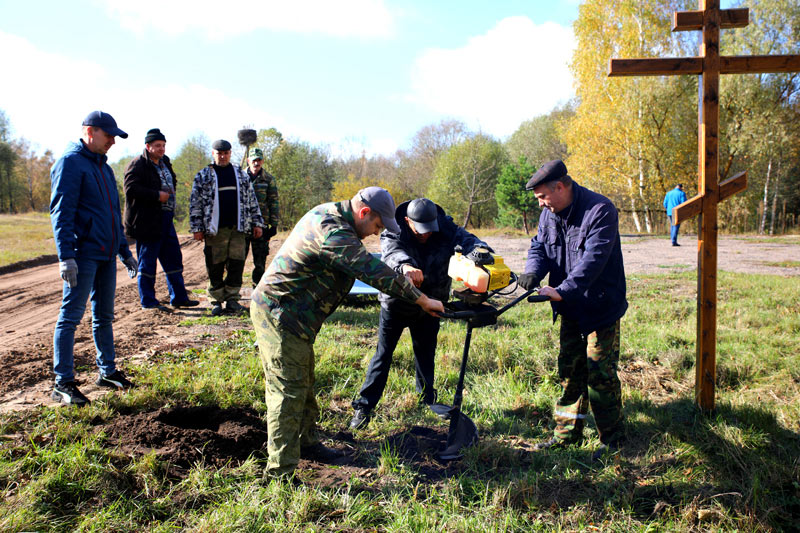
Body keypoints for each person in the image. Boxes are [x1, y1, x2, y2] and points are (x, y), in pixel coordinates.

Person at [250, 187, 445, 477]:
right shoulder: (332, 230)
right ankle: (281, 472)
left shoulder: (334, 217)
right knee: (287, 392)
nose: (375, 234)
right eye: (377, 226)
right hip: (280, 314)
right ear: (364, 213)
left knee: (303, 380)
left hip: (296, 317)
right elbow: (370, 269)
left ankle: (308, 443)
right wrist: (421, 299)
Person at [517, 160, 627, 461]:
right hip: (569, 308)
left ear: (561, 187)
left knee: (600, 373)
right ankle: (567, 435)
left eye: (543, 197)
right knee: (570, 373)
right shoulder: (548, 215)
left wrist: (561, 291)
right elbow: (539, 247)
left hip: (600, 306)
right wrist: (533, 272)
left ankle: (613, 439)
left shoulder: (599, 210)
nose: (541, 204)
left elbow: (593, 261)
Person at [349, 198, 490, 429]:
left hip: (433, 302)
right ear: (407, 221)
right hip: (398, 303)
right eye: (420, 230)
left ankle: (426, 400)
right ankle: (364, 407)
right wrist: (406, 267)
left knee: (426, 353)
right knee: (383, 356)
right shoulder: (393, 230)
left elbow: (470, 241)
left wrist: (480, 252)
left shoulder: (444, 226)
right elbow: (392, 253)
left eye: (429, 230)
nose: (426, 235)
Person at [49, 111, 138, 406]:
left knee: (104, 317)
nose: (113, 141)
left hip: (106, 254)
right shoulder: (70, 163)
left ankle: (107, 371)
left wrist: (125, 251)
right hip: (83, 255)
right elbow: (61, 213)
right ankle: (63, 383)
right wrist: (66, 257)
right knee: (70, 318)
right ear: (90, 131)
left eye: (115, 136)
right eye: (108, 135)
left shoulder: (104, 167)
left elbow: (113, 215)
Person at [123, 128, 199, 311]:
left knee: (173, 259)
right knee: (147, 263)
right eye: (157, 146)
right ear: (148, 146)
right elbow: (131, 190)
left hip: (166, 218)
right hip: (147, 222)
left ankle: (179, 298)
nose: (161, 149)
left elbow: (172, 181)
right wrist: (157, 195)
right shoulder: (137, 165)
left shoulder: (165, 162)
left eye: (163, 145)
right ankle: (148, 302)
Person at [189, 139, 264, 316]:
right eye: (219, 153)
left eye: (226, 153)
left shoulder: (240, 174)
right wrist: (197, 227)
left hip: (238, 228)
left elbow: (252, 200)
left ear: (230, 154)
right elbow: (195, 203)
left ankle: (232, 299)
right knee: (215, 265)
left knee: (237, 264)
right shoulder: (203, 176)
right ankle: (216, 300)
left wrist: (257, 222)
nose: (222, 156)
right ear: (213, 154)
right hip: (215, 230)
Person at [243, 147, 279, 287]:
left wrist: (274, 225)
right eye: (253, 160)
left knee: (260, 259)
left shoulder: (269, 179)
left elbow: (273, 202)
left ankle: (257, 287)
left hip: (262, 225)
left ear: (262, 161)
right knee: (238, 259)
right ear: (248, 161)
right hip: (243, 225)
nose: (256, 163)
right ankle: (233, 290)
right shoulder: (240, 177)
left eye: (259, 160)